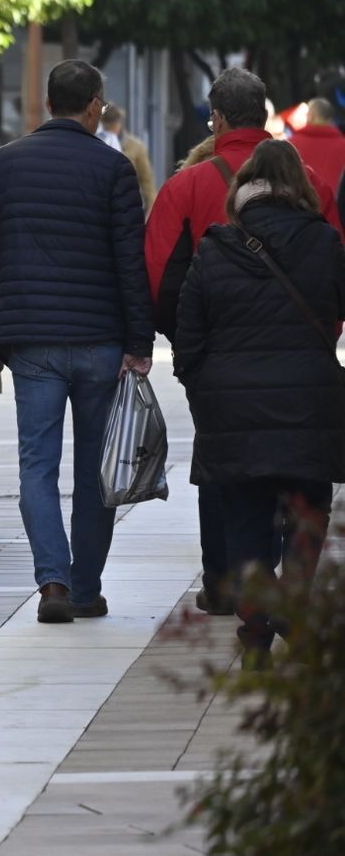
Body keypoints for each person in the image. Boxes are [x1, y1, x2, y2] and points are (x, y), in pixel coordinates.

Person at [146, 68, 343, 615]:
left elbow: (160, 274)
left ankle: (226, 583)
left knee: (226, 473)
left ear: (218, 117)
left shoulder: (186, 185)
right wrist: (320, 337)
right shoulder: (311, 187)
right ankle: (283, 598)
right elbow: (335, 279)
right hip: (304, 368)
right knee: (301, 479)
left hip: (220, 367)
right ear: (265, 114)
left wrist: (192, 360)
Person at [0, 59, 154, 624]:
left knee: (37, 465)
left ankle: (51, 582)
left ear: (48, 103)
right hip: (100, 340)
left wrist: (11, 309)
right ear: (95, 104)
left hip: (33, 343)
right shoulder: (114, 167)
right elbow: (130, 261)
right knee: (97, 468)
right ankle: (85, 586)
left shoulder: (5, 163)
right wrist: (139, 340)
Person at [173, 139, 345, 665]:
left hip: (234, 414)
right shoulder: (325, 242)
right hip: (309, 408)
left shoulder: (215, 247)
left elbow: (187, 342)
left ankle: (253, 631)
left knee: (243, 522)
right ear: (301, 189)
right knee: (309, 511)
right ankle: (292, 601)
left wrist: (207, 389)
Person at [288, 97, 345, 219]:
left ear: (311, 116)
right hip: (337, 218)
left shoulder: (290, 145)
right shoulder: (343, 145)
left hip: (300, 218)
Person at [102, 104, 157, 211]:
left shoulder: (135, 147)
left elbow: (147, 181)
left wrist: (151, 208)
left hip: (126, 204)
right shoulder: (95, 141)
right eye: (106, 126)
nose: (109, 130)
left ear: (119, 124)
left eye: (112, 126)